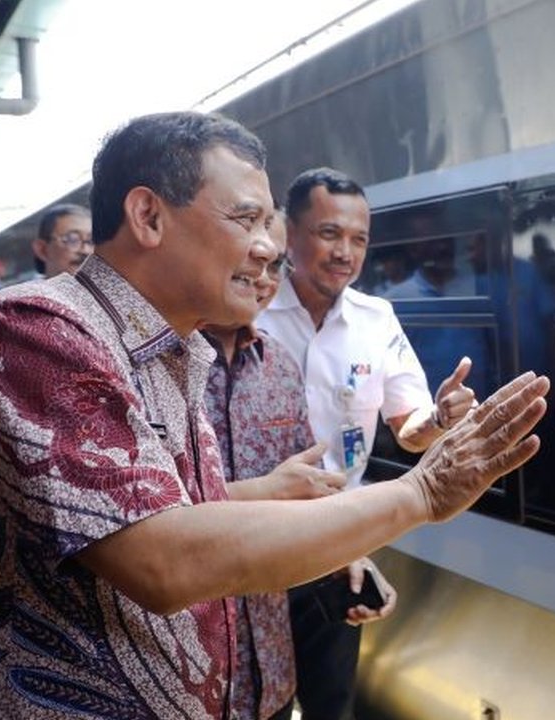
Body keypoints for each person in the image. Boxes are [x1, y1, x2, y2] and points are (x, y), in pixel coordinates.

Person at [0, 112, 548, 719]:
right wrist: (420, 493)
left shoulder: (176, 354)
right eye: (248, 219)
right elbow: (167, 561)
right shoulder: (36, 331)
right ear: (148, 215)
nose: (268, 249)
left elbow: (200, 519)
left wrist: (335, 545)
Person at [256, 167, 479, 720]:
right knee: (255, 703)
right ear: (289, 232)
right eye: (330, 233)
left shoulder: (375, 319)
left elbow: (409, 429)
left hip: (335, 550)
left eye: (359, 240)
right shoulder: (247, 311)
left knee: (333, 705)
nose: (346, 253)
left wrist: (440, 419)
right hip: (246, 544)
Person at [202, 211, 396, 720]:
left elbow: (310, 487)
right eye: (245, 272)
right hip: (195, 671)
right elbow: (138, 514)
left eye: (271, 269)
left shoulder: (279, 366)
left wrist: (345, 550)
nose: (263, 284)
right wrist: (263, 491)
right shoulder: (148, 368)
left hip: (270, 666)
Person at [31, 202, 93, 277]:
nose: (86, 251)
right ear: (42, 250)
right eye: (72, 239)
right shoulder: (28, 289)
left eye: (91, 241)